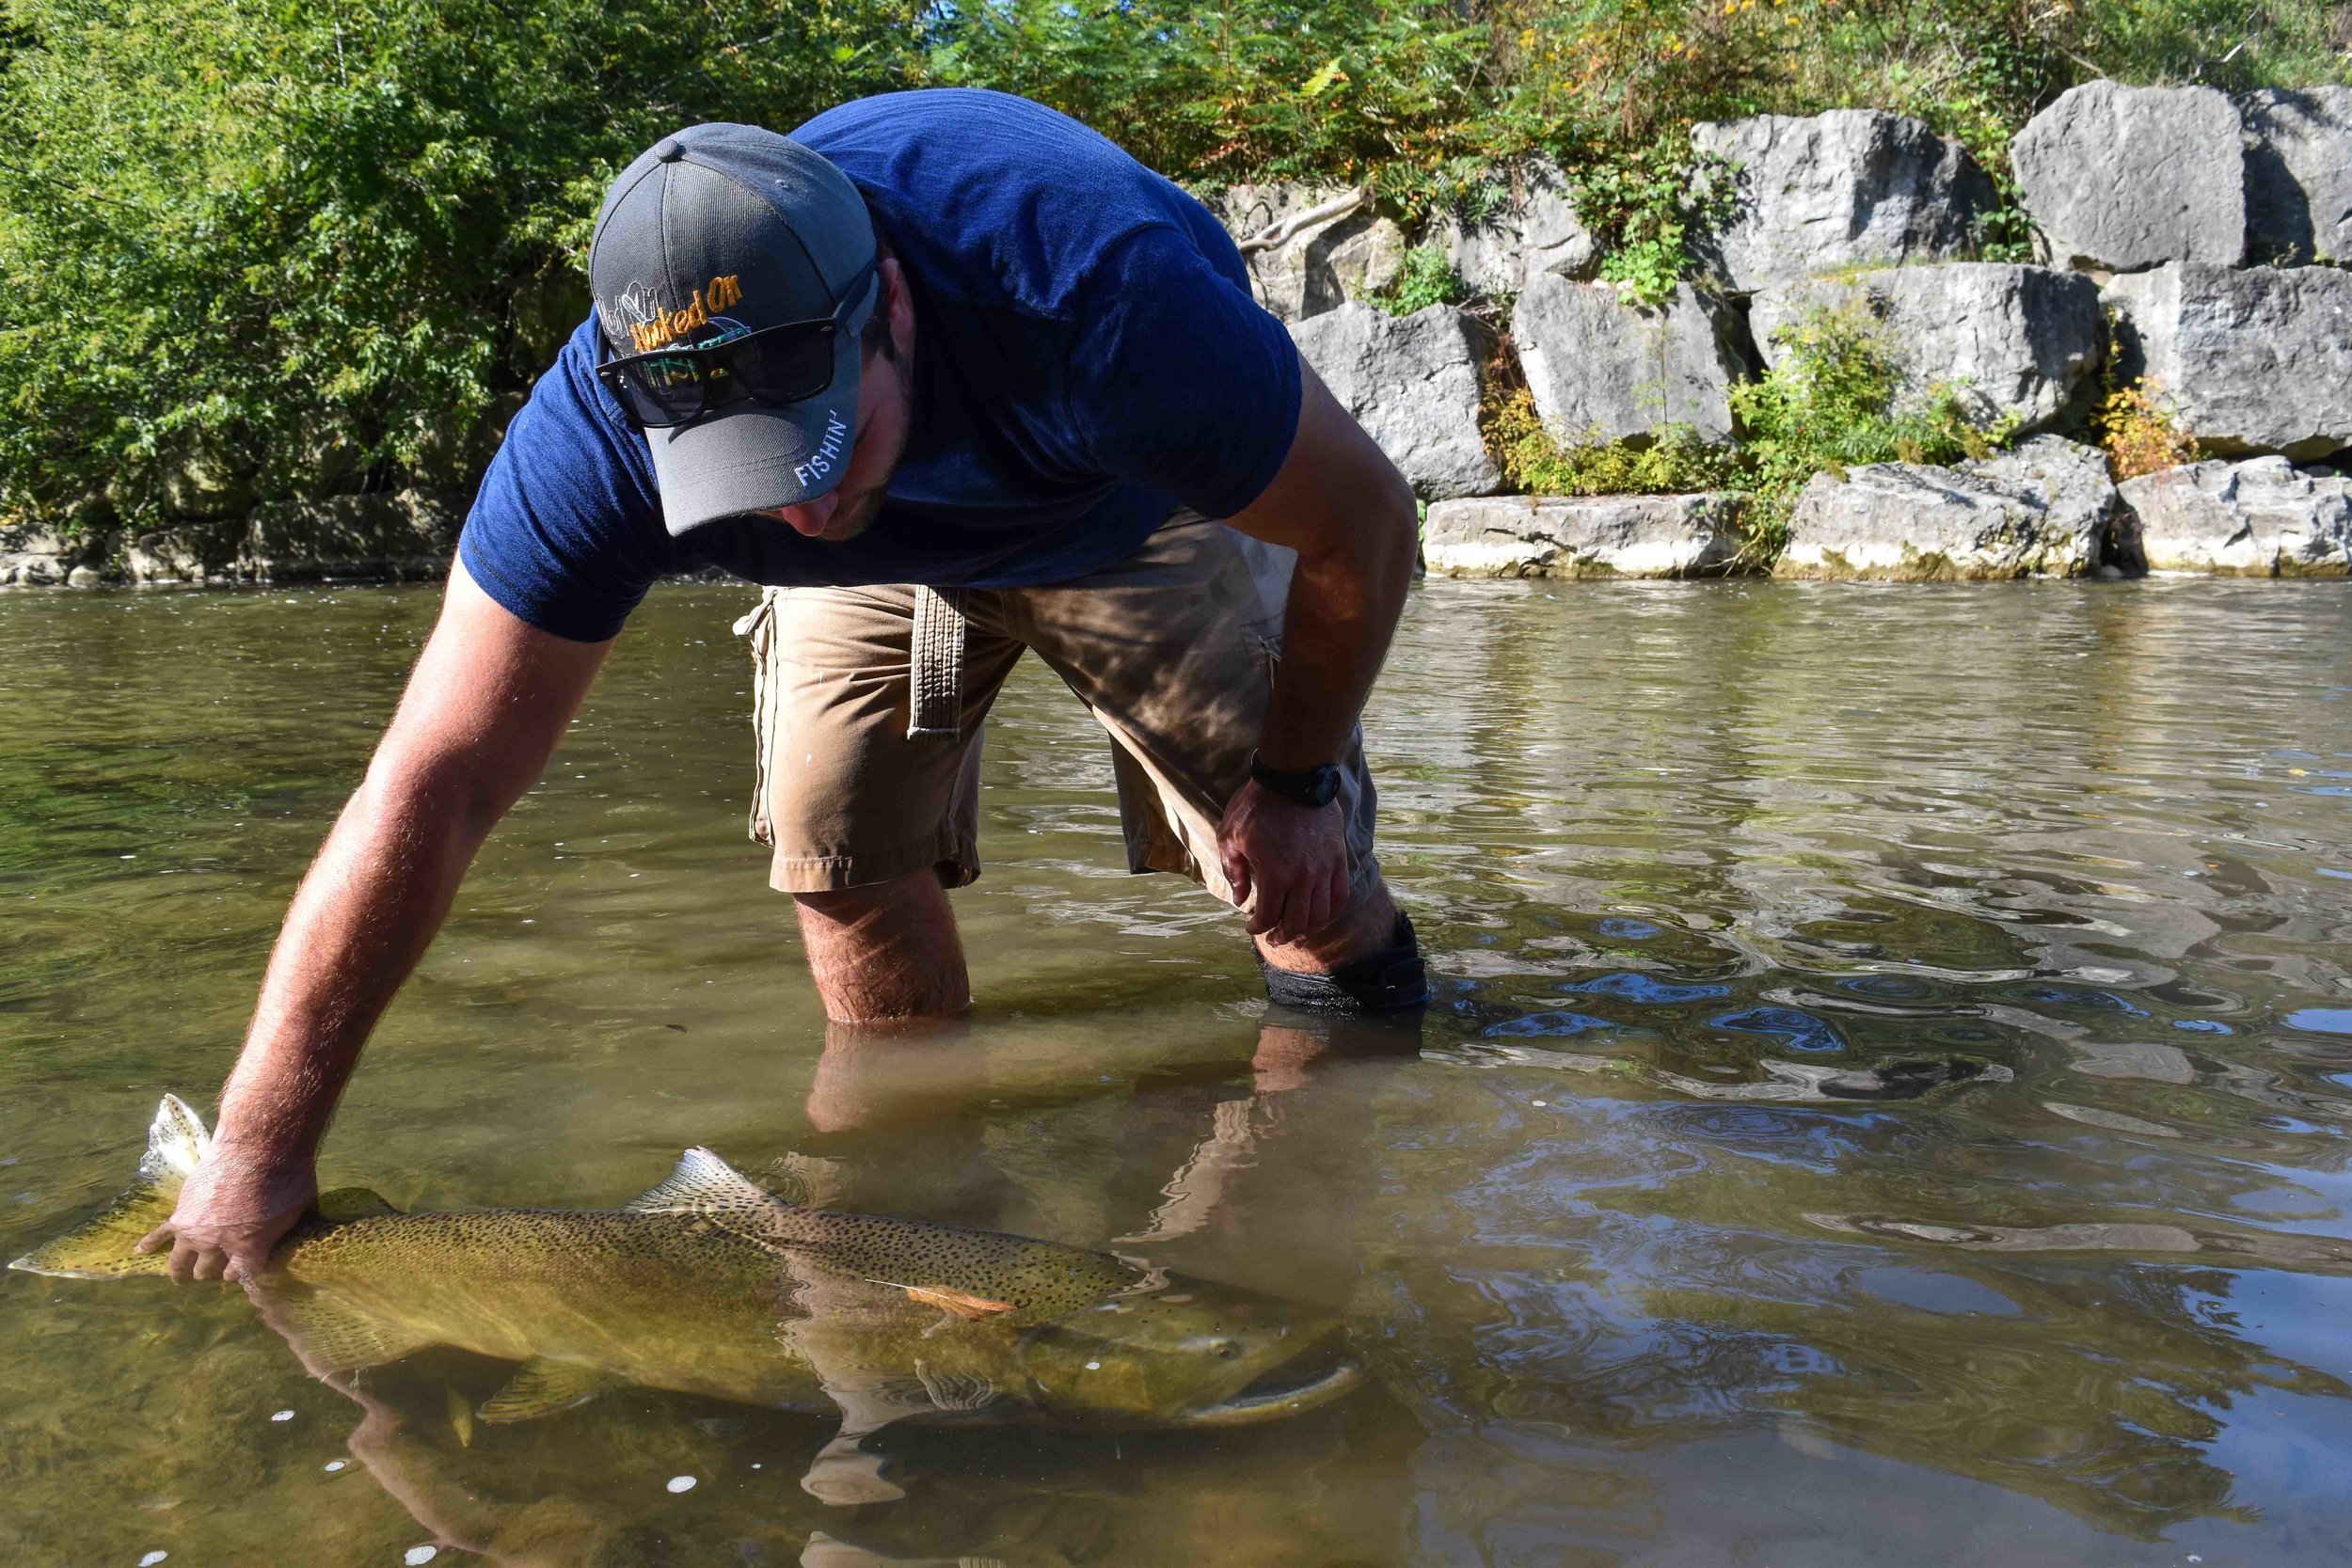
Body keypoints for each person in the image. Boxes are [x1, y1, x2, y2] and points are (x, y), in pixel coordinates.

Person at [139, 88, 1425, 1284]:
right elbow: (435, 782)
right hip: (885, 569)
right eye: (749, 472)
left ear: (896, 312)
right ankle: (923, 1236)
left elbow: (1364, 523)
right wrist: (259, 1148)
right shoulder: (592, 436)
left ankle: (1312, 1224)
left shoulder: (1092, 291)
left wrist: (1298, 783)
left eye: (820, 443)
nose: (804, 508)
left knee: (1298, 888)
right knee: (843, 861)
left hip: (1126, 509)